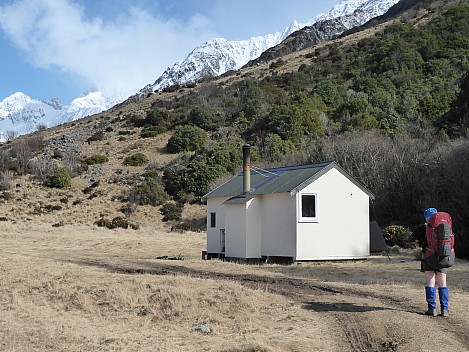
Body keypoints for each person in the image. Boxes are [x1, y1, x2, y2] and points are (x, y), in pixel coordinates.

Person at [421, 207, 450, 317]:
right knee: (443, 282)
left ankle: (432, 308)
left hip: (429, 257)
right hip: (443, 256)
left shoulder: (424, 227)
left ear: (427, 218)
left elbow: (410, 239)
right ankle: (444, 309)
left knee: (430, 281)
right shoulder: (444, 227)